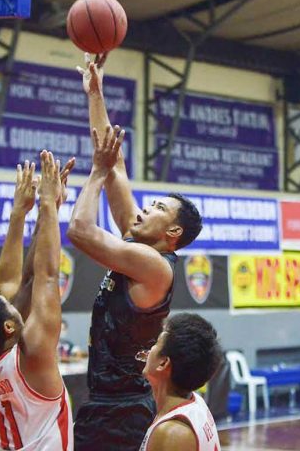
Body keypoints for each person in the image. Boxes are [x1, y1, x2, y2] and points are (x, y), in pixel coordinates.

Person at [69, 53, 204, 450]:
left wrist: (94, 172)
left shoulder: (153, 265)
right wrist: (96, 94)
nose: (146, 208)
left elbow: (80, 230)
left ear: (174, 233)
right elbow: (118, 168)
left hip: (122, 409)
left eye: (158, 208)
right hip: (111, 402)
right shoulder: (142, 242)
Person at [0, 152, 74, 450]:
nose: (13, 300)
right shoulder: (33, 356)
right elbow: (45, 276)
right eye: (9, 307)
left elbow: (15, 283)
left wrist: (21, 214)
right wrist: (48, 204)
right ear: (9, 326)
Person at [138, 314, 222, 451]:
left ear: (163, 363)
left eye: (156, 343)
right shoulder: (195, 402)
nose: (149, 349)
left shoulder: (171, 434)